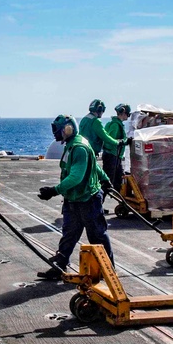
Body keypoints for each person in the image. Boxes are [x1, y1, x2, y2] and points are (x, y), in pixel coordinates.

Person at [36, 115, 114, 280]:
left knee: (97, 236)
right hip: (74, 199)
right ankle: (60, 266)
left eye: (57, 129)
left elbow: (76, 177)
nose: (55, 133)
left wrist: (54, 190)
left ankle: (108, 270)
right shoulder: (72, 145)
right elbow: (94, 165)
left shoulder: (78, 148)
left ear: (68, 129)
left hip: (87, 200)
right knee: (69, 235)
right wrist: (105, 179)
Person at [102, 103, 131, 189]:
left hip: (115, 156)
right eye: (128, 114)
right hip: (112, 156)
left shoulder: (115, 123)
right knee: (109, 181)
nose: (128, 116)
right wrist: (125, 142)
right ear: (123, 113)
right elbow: (111, 141)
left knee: (118, 180)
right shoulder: (115, 125)